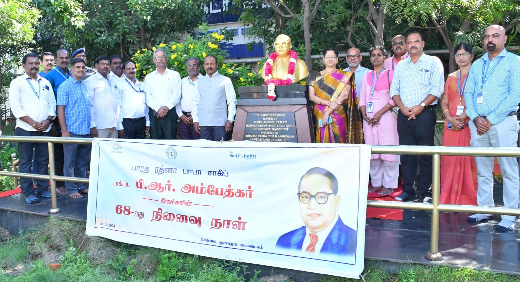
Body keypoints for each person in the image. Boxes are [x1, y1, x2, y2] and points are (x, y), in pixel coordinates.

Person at [464, 25, 520, 232]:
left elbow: (516, 94)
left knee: (509, 170)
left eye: (495, 36)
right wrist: (476, 117)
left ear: (504, 38)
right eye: (487, 36)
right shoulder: (478, 64)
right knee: (483, 170)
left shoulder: (514, 62)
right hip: (478, 124)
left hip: (503, 122)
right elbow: (469, 93)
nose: (490, 39)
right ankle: (484, 209)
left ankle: (509, 215)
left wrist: (491, 119)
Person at [390, 32, 444, 203]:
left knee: (426, 154)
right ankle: (408, 191)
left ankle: (426, 192)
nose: (413, 45)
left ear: (423, 43)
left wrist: (420, 107)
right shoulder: (401, 66)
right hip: (404, 115)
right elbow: (394, 90)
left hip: (425, 114)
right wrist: (403, 108)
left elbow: (437, 89)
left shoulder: (433, 62)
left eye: (416, 42)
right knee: (407, 155)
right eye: (409, 42)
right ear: (406, 45)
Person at [276, 167, 357, 258]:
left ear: (336, 200)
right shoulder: (284, 241)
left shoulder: (354, 241)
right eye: (305, 197)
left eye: (321, 197)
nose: (312, 205)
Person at [9, 53, 56, 204]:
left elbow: (52, 104)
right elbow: (16, 108)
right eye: (31, 63)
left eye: (36, 63)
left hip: (45, 128)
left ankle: (42, 189)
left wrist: (48, 120)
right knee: (25, 162)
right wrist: (33, 123)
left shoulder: (45, 82)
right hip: (25, 128)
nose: (34, 66)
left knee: (43, 161)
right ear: (24, 66)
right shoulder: (17, 83)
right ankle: (28, 192)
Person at [439, 43, 478, 205]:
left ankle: (468, 199)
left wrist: (463, 117)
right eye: (458, 55)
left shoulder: (477, 76)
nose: (461, 57)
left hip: (469, 123)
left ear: (471, 56)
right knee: (450, 161)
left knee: (468, 162)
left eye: (464, 54)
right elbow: (445, 100)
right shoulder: (451, 77)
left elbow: (477, 100)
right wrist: (449, 117)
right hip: (451, 125)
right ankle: (448, 199)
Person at [359, 46, 399, 196]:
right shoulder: (367, 75)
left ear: (384, 57)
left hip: (386, 118)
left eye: (379, 55)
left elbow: (394, 97)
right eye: (373, 55)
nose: (376, 57)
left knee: (388, 153)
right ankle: (376, 183)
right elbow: (362, 96)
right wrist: (364, 113)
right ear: (370, 58)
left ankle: (389, 185)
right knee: (373, 153)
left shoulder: (390, 74)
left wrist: (380, 114)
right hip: (369, 120)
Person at [57, 58, 91, 199]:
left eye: (83, 67)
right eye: (77, 67)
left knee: (82, 162)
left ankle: (81, 186)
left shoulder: (84, 85)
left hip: (85, 130)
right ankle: (71, 189)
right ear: (71, 69)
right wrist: (64, 130)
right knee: (69, 162)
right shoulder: (65, 86)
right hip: (71, 131)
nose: (81, 70)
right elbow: (60, 109)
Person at [307, 48, 356, 143]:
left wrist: (328, 111)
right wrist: (328, 103)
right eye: (328, 57)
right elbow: (311, 96)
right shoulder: (314, 76)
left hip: (338, 113)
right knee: (322, 141)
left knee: (340, 141)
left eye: (333, 57)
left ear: (337, 59)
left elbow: (344, 95)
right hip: (319, 113)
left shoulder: (345, 75)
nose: (330, 59)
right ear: (323, 59)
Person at [43, 48, 70, 195]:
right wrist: (53, 122)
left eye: (66, 58)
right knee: (58, 153)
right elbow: (49, 100)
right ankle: (59, 183)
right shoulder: (51, 76)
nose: (64, 60)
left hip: (71, 120)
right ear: (56, 59)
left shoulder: (71, 73)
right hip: (57, 121)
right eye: (61, 58)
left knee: (69, 153)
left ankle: (69, 181)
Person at [193, 55, 237, 141]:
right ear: (203, 66)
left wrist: (230, 119)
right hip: (203, 123)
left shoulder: (225, 80)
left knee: (220, 150)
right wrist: (195, 120)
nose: (209, 66)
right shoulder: (199, 82)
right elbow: (195, 102)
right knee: (205, 150)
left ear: (217, 65)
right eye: (207, 64)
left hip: (220, 123)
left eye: (212, 64)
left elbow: (232, 101)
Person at [145, 48, 182, 139]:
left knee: (170, 142)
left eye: (163, 56)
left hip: (170, 113)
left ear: (166, 59)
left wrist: (166, 108)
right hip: (154, 113)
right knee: (155, 142)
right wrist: (158, 109)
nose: (160, 59)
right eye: (158, 57)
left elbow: (177, 94)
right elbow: (147, 96)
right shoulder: (149, 77)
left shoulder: (175, 75)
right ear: (154, 60)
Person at [85, 55, 122, 138]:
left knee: (113, 150)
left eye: (107, 64)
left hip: (113, 124)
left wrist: (119, 125)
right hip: (100, 126)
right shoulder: (90, 81)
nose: (105, 66)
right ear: (96, 65)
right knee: (100, 150)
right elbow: (89, 105)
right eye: (102, 64)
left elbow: (118, 103)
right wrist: (92, 126)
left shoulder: (113, 80)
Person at [115, 61, 149, 139]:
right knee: (127, 149)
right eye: (128, 69)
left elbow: (145, 105)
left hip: (141, 122)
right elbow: (117, 106)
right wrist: (119, 126)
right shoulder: (119, 84)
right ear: (123, 70)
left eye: (133, 68)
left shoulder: (142, 85)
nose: (131, 71)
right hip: (127, 122)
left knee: (140, 148)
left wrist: (147, 122)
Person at [176, 57, 202, 139]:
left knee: (198, 145)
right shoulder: (182, 82)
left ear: (199, 67)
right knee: (185, 146)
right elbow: (177, 100)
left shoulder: (205, 81)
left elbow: (207, 102)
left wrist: (195, 116)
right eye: (189, 65)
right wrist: (180, 115)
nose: (192, 67)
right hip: (184, 119)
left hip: (199, 119)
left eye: (194, 65)